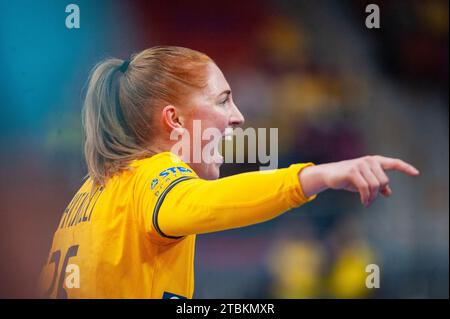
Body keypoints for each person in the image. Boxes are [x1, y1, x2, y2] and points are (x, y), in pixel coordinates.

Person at [38, 46, 419, 298]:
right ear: (174, 119)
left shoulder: (88, 193)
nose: (238, 117)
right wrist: (320, 175)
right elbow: (212, 203)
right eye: (223, 100)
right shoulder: (154, 178)